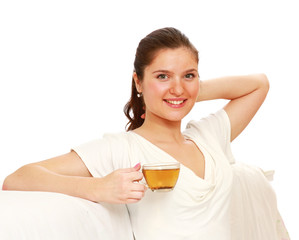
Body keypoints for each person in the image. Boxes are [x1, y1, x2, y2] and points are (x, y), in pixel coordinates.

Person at [2, 27, 289, 239]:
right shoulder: (123, 148)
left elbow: (258, 85)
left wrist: (184, 93)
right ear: (138, 81)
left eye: (189, 74)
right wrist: (97, 187)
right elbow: (18, 178)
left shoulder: (208, 136)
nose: (177, 85)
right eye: (162, 76)